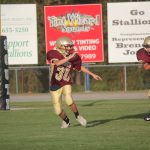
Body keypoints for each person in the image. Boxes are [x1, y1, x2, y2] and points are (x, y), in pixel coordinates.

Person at [47, 36, 102, 128]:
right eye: (67, 46)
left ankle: (78, 116)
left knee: (69, 99)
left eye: (70, 46)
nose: (69, 48)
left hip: (66, 82)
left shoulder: (74, 56)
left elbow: (79, 68)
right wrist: (70, 58)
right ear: (60, 46)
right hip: (55, 84)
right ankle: (66, 121)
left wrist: (92, 74)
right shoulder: (52, 53)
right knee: (57, 110)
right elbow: (58, 63)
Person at [136, 36, 150, 121]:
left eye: (149, 47)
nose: (147, 49)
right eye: (146, 46)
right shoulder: (142, 53)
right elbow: (146, 67)